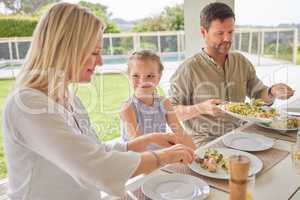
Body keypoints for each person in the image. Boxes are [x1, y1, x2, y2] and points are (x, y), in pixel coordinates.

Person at [2, 3, 195, 200]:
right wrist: (164, 156)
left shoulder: (70, 99)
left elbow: (93, 149)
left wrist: (150, 139)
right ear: (65, 49)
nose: (101, 62)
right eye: (94, 53)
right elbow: (96, 166)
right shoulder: (28, 104)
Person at [169, 2, 294, 146]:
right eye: (220, 33)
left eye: (230, 32)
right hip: (207, 143)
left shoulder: (240, 61)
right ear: (203, 32)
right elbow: (170, 111)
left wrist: (272, 92)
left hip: (241, 134)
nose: (227, 39)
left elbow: (259, 94)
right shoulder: (189, 69)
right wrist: (201, 108)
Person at [120, 50, 196, 150]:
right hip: (137, 160)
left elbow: (180, 133)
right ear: (129, 77)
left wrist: (198, 154)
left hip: (160, 156)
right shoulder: (128, 108)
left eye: (150, 76)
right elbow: (138, 145)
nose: (143, 81)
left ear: (159, 77)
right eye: (136, 76)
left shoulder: (164, 103)